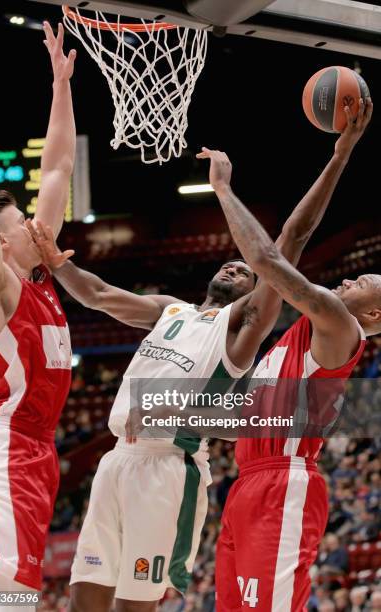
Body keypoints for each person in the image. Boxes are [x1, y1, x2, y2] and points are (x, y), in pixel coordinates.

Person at [30, 100, 370, 612]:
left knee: (134, 605)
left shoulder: (244, 329)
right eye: (231, 264)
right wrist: (57, 264)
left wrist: (334, 157)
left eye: (247, 275)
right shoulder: (172, 310)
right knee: (84, 600)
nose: (238, 267)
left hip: (172, 467)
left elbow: (284, 245)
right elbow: (100, 296)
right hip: (120, 459)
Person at [195, 101, 376, 612]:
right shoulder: (292, 342)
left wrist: (224, 191)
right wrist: (339, 155)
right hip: (249, 484)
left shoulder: (341, 326)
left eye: (364, 282)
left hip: (283, 483)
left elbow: (269, 256)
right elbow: (293, 237)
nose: (350, 278)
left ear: (377, 312)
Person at [0, 22, 76, 611]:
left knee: (11, 598)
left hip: (36, 452)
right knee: (2, 600)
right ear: (5, 245)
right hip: (6, 450)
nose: (41, 222)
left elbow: (59, 164)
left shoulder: (37, 276)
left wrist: (61, 85)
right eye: (26, 223)